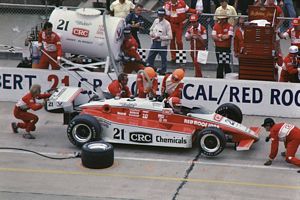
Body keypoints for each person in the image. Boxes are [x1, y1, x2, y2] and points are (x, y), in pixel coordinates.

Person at [147, 7, 172, 75]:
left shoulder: (167, 24)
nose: (160, 17)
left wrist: (160, 37)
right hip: (154, 42)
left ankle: (163, 71)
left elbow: (170, 36)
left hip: (162, 44)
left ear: (164, 15)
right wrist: (151, 34)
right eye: (159, 15)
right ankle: (150, 69)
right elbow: (151, 29)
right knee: (150, 57)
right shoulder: (156, 21)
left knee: (163, 59)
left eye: (162, 15)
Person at [212, 11, 234, 78]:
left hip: (226, 48)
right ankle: (219, 79)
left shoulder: (230, 26)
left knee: (226, 64)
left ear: (226, 19)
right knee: (220, 64)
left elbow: (228, 36)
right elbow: (213, 36)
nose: (221, 20)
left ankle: (228, 79)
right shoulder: (215, 26)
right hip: (218, 48)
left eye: (222, 19)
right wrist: (221, 37)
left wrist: (219, 36)